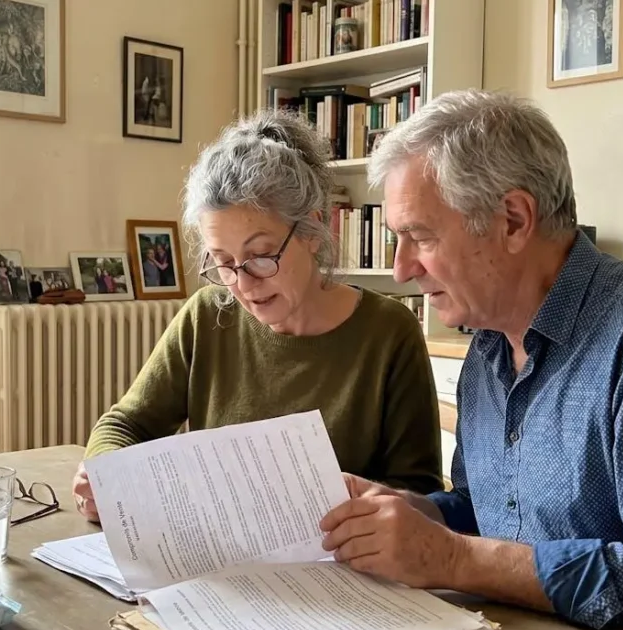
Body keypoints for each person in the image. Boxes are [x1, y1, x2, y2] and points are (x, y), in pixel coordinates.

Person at [318, 89, 623, 630]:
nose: (402, 268)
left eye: (422, 237)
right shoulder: (488, 346)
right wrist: (419, 516)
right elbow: (491, 511)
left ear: (513, 220)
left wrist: (456, 560)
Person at [72, 108, 445, 521]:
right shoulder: (208, 316)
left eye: (261, 256)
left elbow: (420, 493)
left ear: (310, 232)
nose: (243, 284)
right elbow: (125, 425)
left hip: (337, 570)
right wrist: (104, 475)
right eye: (223, 262)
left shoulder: (388, 331)